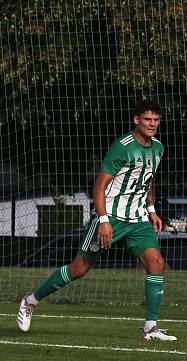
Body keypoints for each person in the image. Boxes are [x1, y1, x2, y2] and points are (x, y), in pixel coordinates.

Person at [17, 99, 176, 342]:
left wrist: (152, 209)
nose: (152, 124)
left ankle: (150, 329)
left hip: (137, 218)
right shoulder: (122, 147)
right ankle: (31, 300)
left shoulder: (158, 147)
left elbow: (148, 178)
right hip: (110, 216)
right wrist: (103, 221)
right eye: (147, 119)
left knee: (156, 262)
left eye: (156, 120)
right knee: (79, 269)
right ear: (136, 120)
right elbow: (99, 187)